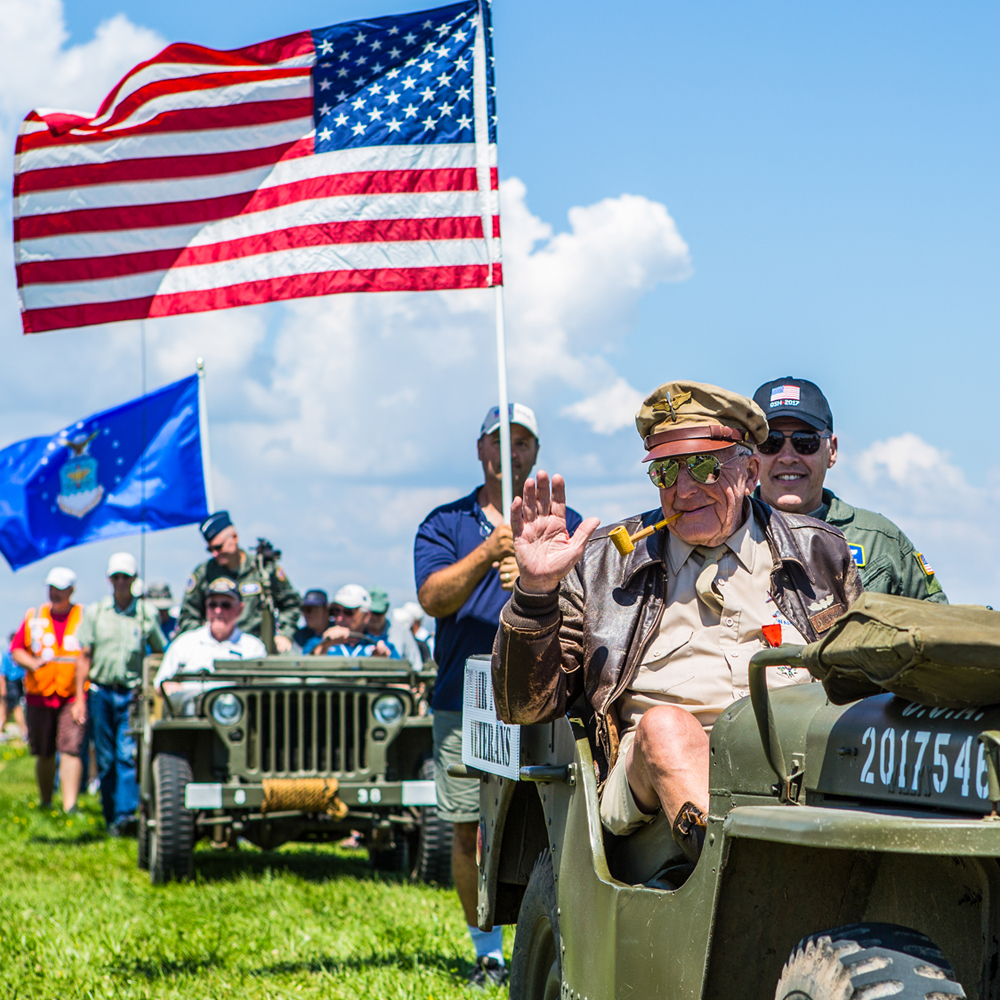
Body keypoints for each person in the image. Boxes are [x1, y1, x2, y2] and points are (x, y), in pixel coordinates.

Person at [492, 381, 862, 869]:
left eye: (705, 467)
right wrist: (535, 593)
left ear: (751, 471)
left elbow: (859, 680)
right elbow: (524, 706)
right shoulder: (602, 564)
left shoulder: (819, 551)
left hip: (794, 779)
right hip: (649, 796)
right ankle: (739, 871)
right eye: (666, 472)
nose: (685, 490)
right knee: (666, 727)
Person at [415, 402, 581, 988]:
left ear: (534, 452)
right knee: (468, 826)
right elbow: (434, 598)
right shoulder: (445, 523)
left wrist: (537, 576)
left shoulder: (565, 517)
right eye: (498, 441)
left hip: (542, 697)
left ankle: (554, 935)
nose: (510, 452)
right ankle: (486, 949)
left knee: (553, 817)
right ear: (480, 450)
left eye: (522, 442)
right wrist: (489, 554)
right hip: (466, 701)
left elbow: (590, 599)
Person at [752, 377, 947, 602]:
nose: (787, 457)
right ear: (750, 454)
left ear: (832, 451)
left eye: (805, 441)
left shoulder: (880, 541)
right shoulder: (726, 534)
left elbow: (937, 624)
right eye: (771, 441)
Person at [74, 553, 166, 835]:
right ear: (109, 580)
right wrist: (79, 698)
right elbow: (84, 657)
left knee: (128, 754)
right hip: (101, 692)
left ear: (134, 579)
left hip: (132, 693)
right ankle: (111, 814)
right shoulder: (96, 612)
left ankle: (127, 815)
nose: (121, 582)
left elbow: (160, 651)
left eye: (126, 577)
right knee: (105, 758)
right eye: (116, 577)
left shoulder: (145, 614)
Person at [10, 567, 86, 811]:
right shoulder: (34, 616)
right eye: (52, 588)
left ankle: (69, 805)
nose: (54, 594)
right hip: (39, 695)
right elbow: (17, 649)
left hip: (72, 695)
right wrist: (31, 663)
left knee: (70, 749)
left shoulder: (84, 616)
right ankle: (45, 801)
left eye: (60, 589)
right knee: (44, 751)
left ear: (71, 590)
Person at [177, 511, 302, 651]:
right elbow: (188, 615)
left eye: (218, 547)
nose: (215, 554)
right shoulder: (204, 573)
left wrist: (284, 634)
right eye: (210, 549)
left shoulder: (262, 569)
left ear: (234, 537)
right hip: (214, 650)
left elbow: (292, 604)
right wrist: (204, 641)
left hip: (258, 649)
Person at [155, 578, 266, 716]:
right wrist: (172, 689)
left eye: (226, 605)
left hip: (236, 721)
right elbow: (161, 683)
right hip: (191, 722)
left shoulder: (253, 648)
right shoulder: (185, 642)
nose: (218, 611)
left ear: (239, 609)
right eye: (212, 605)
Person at [307, 585, 399, 657]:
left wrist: (380, 667)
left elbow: (401, 678)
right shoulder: (316, 643)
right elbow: (305, 672)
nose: (339, 618)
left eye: (348, 612)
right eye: (336, 611)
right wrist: (324, 646)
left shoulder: (380, 647)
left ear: (366, 616)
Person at [1, 632, 27, 740]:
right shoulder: (7, 655)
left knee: (7, 709)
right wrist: (2, 689)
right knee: (17, 707)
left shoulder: (22, 654)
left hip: (18, 684)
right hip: (10, 684)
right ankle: (25, 732)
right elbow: (2, 674)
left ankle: (1, 730)